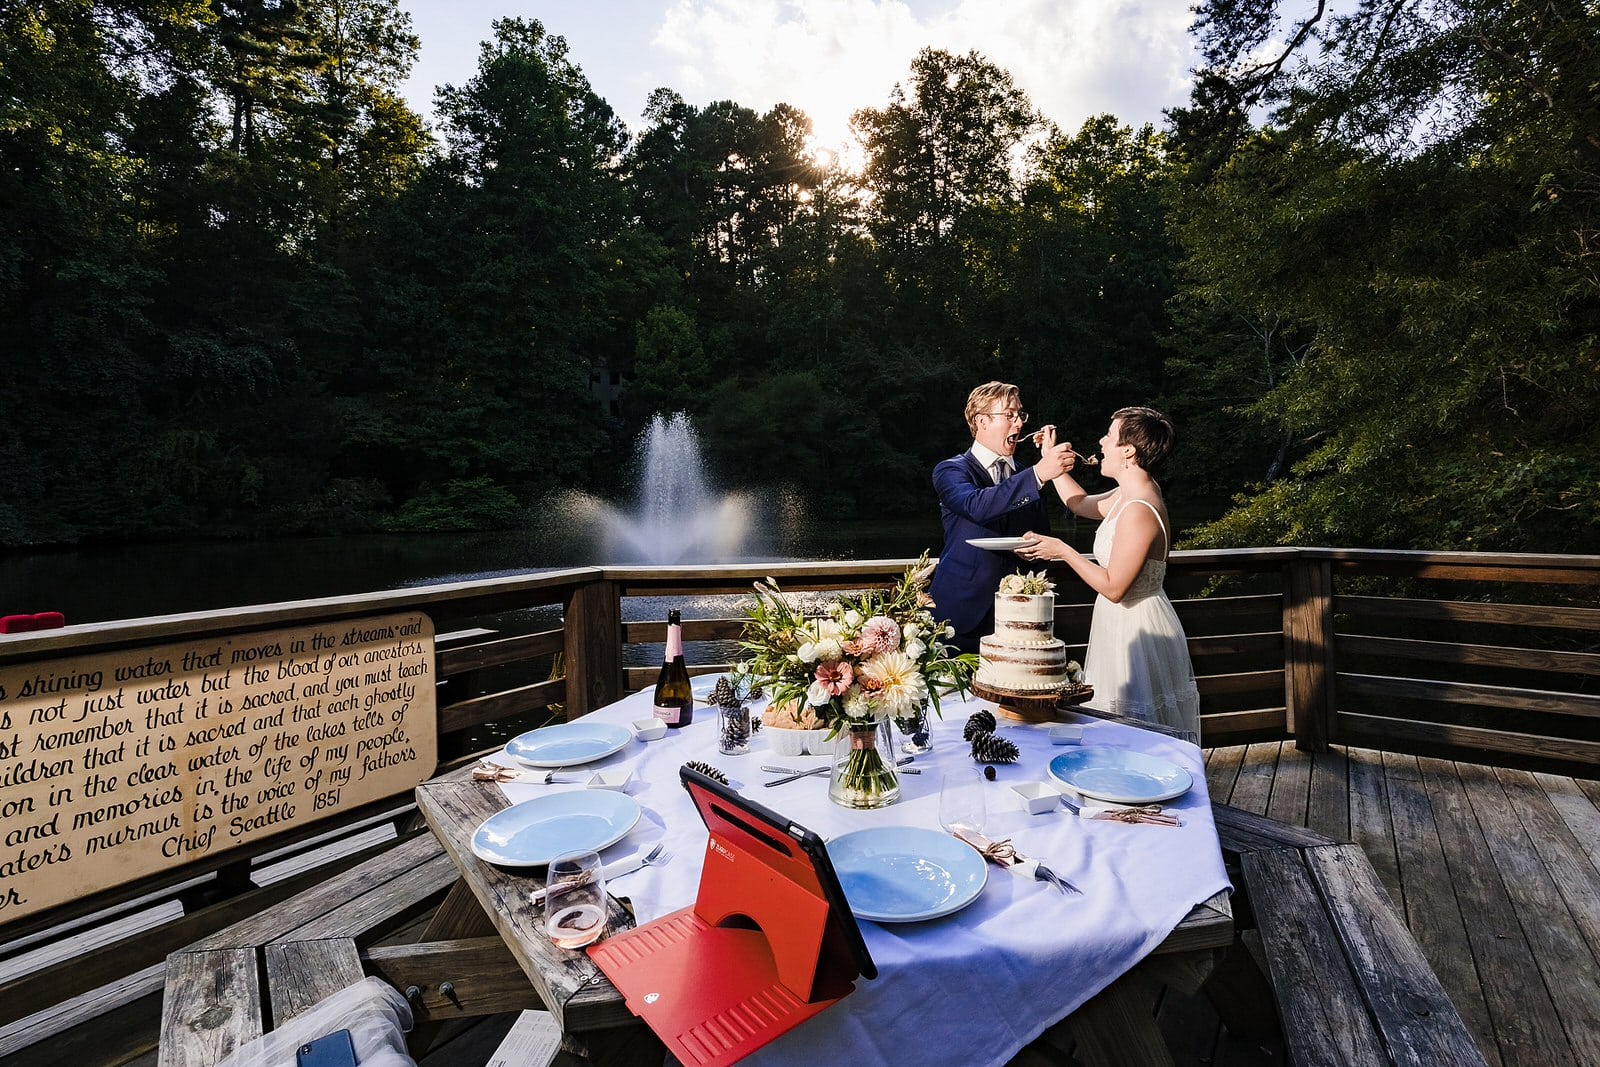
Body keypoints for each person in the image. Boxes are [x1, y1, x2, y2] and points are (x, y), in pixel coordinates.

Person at [1015, 406, 1201, 737]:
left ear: (1128, 451)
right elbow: (1078, 502)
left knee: (1135, 731)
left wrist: (1063, 551)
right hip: (1118, 625)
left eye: (1110, 435)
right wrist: (1050, 461)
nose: (1101, 441)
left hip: (1137, 632)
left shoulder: (1140, 508)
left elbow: (1115, 588)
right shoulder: (1128, 493)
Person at [929, 381, 1076, 653]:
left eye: (1020, 414)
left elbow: (1041, 535)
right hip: (960, 615)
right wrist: (1038, 473)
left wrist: (1034, 550)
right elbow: (976, 506)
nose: (1018, 423)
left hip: (1019, 617)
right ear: (981, 421)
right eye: (1009, 415)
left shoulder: (1026, 475)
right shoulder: (950, 470)